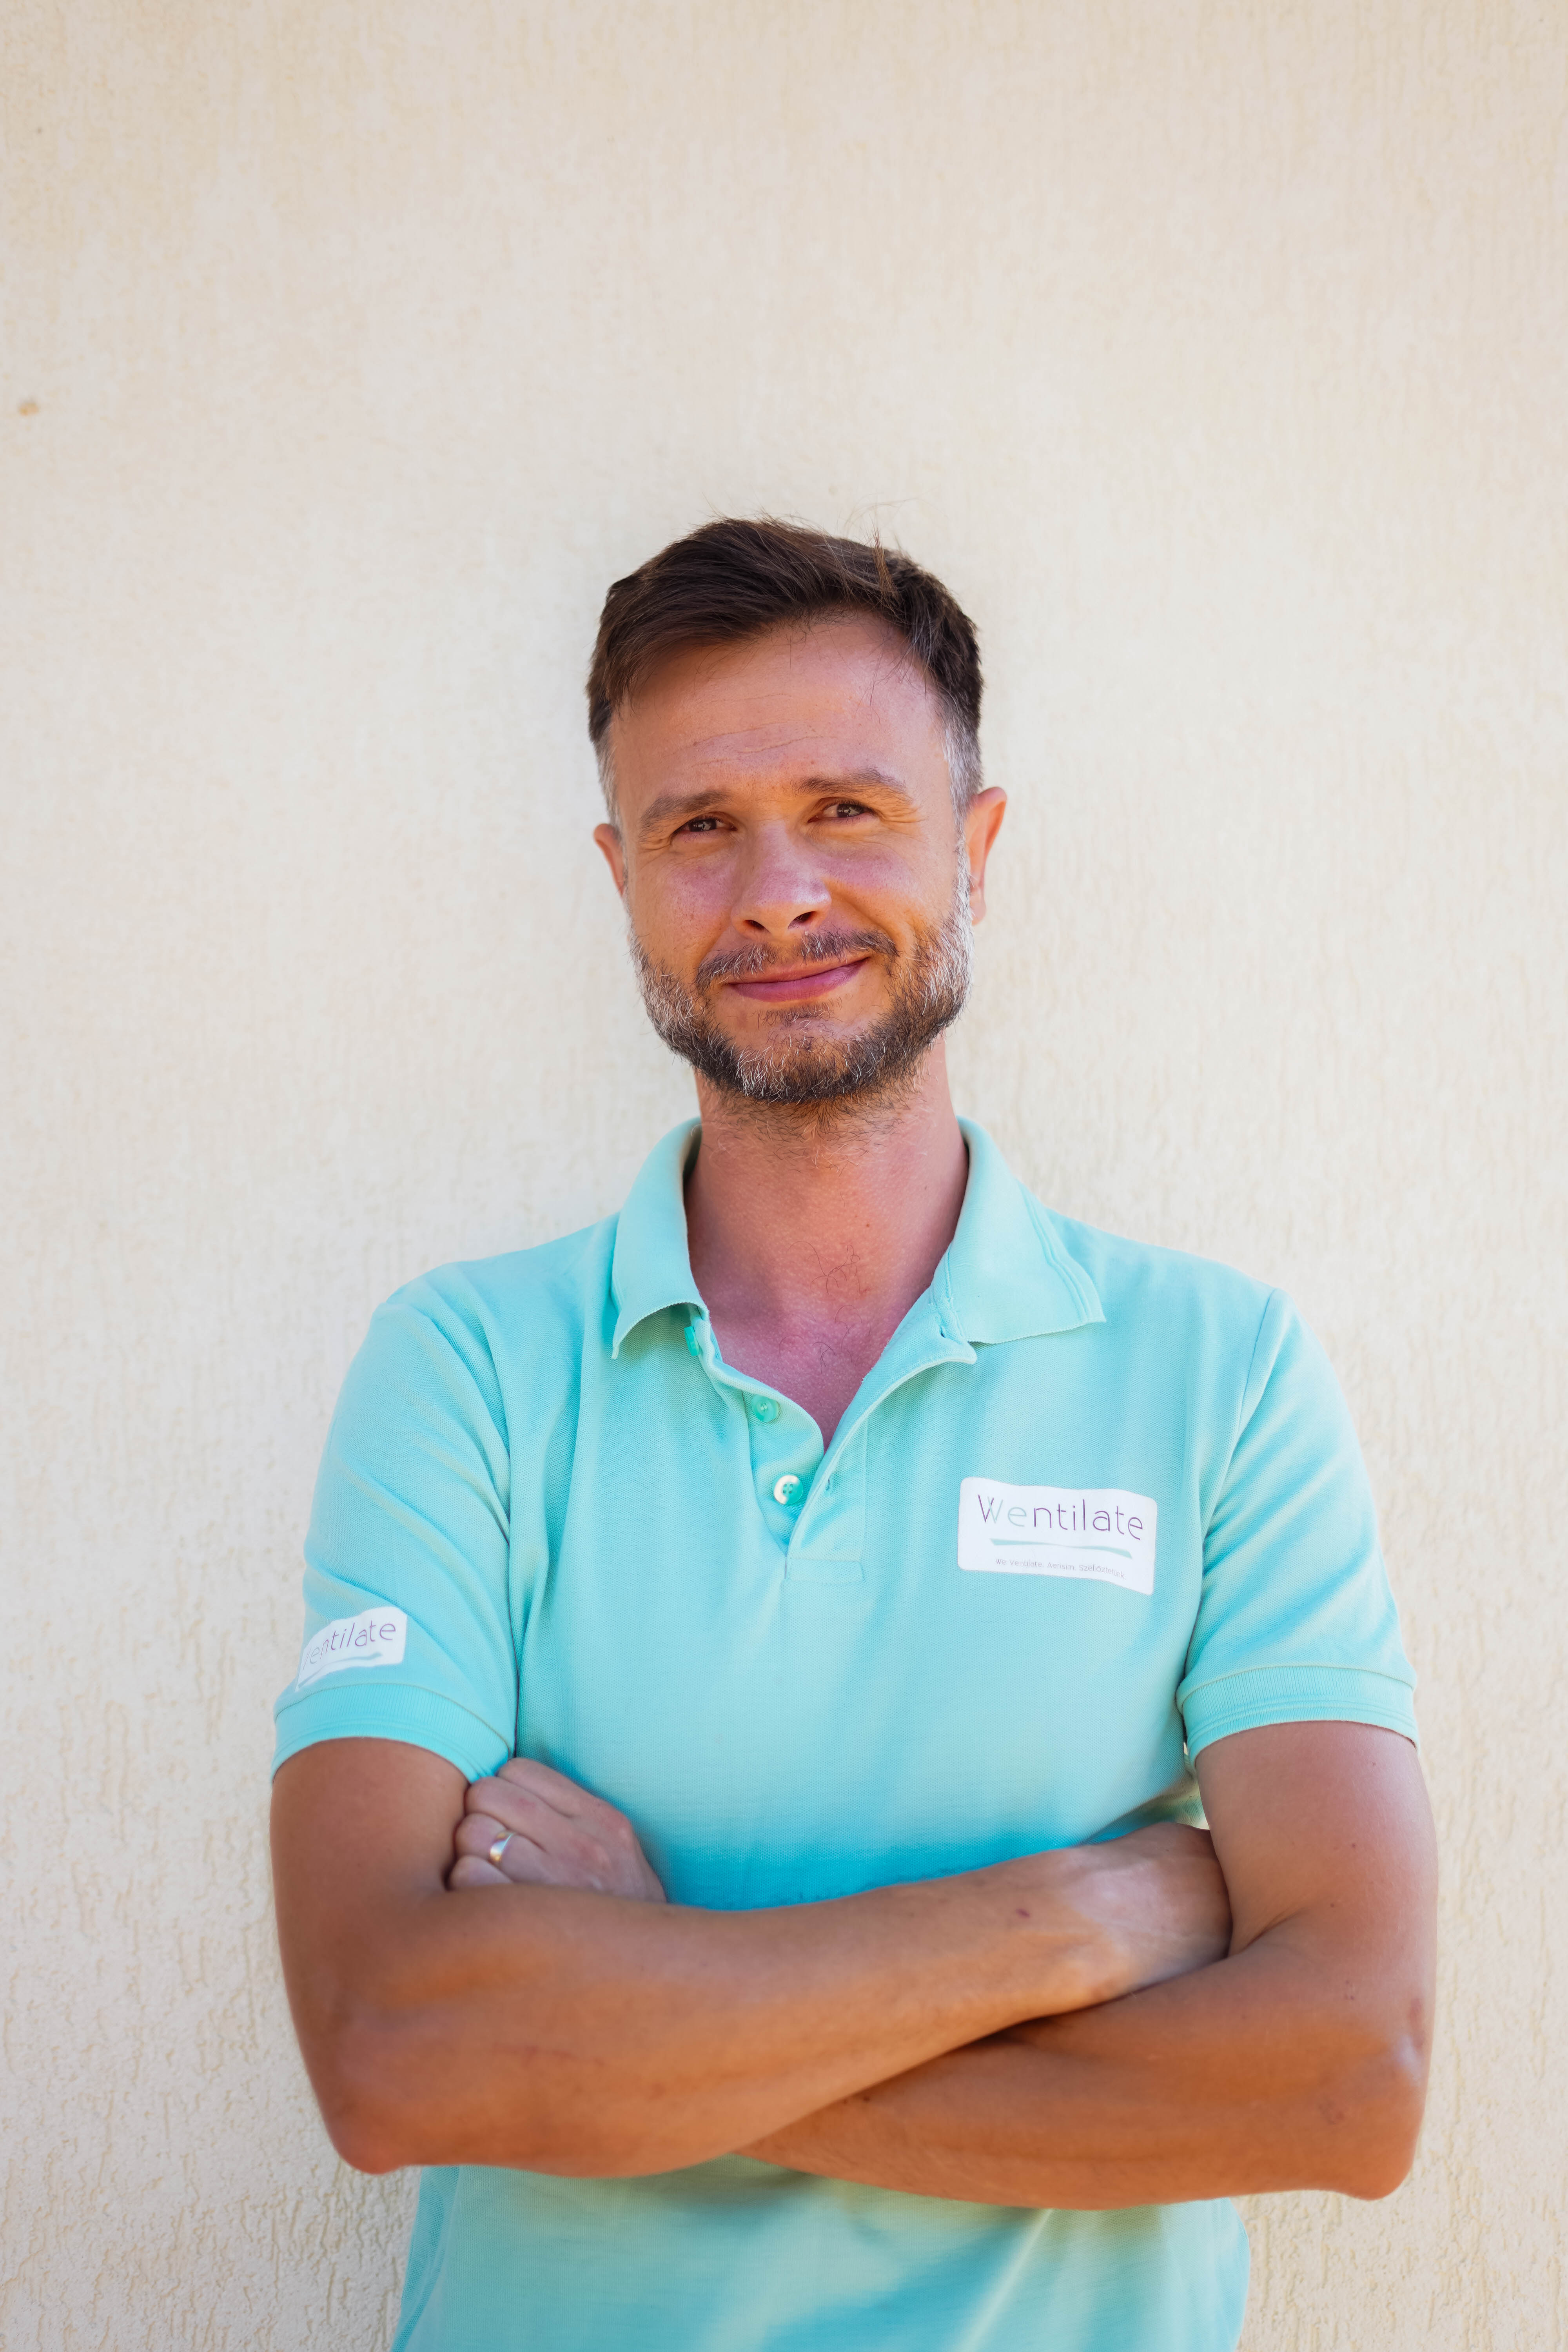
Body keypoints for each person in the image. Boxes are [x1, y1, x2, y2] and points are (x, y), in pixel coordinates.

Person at [270, 518, 1436, 2352]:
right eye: (700, 827)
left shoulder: (1219, 1375)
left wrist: (630, 2013)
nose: (778, 890)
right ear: (621, 876)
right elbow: (390, 2053)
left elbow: (1347, 2082)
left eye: (847, 808)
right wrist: (1067, 1926)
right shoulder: (467, 1368)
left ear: (975, 848)